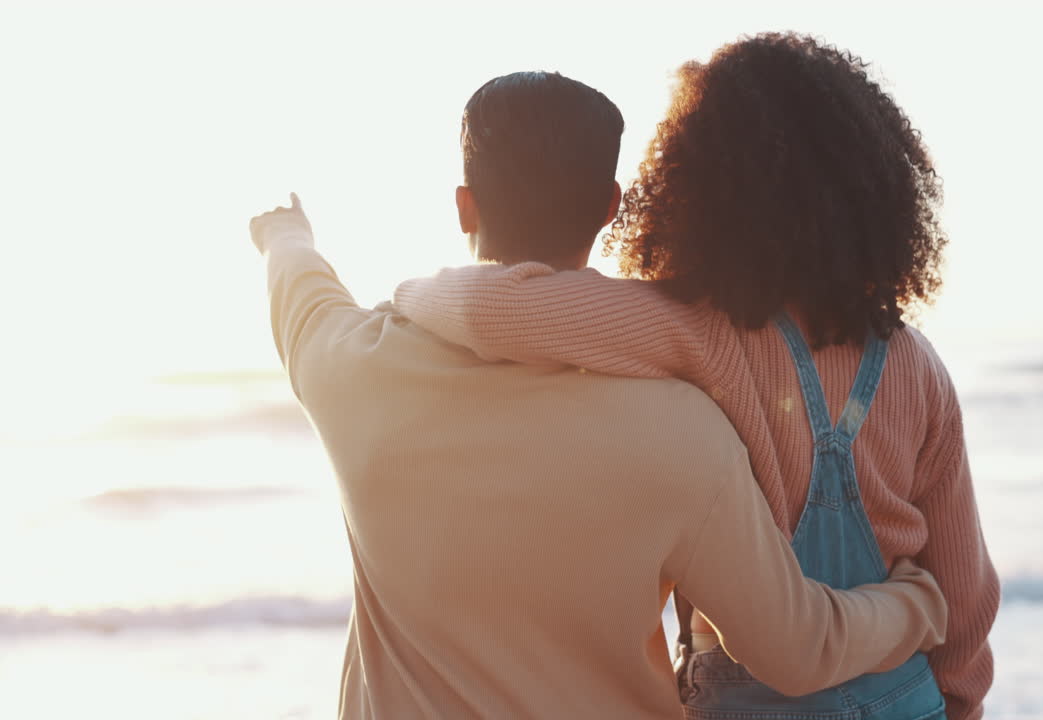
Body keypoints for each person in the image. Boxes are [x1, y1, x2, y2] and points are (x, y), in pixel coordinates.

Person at [249, 71, 947, 720]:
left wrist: (286, 235)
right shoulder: (684, 430)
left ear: (464, 206)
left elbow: (303, 294)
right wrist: (916, 602)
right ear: (611, 209)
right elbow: (796, 649)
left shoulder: (357, 372)